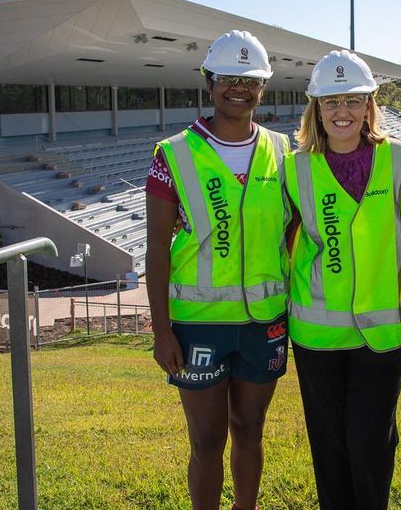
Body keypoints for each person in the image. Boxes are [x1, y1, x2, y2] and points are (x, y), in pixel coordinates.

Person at [145, 30, 291, 510]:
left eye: (249, 80)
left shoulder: (282, 150)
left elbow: (291, 232)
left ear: (262, 88)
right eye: (227, 78)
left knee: (250, 430)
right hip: (197, 327)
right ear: (208, 82)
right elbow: (157, 250)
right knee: (207, 441)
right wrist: (162, 331)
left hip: (263, 321)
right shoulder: (173, 154)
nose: (238, 88)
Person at [285, 49, 401, 510]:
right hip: (319, 335)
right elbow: (285, 241)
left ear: (369, 105)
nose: (341, 112)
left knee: (371, 444)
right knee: (330, 450)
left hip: (382, 333)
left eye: (352, 101)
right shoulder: (295, 167)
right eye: (329, 102)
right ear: (315, 110)